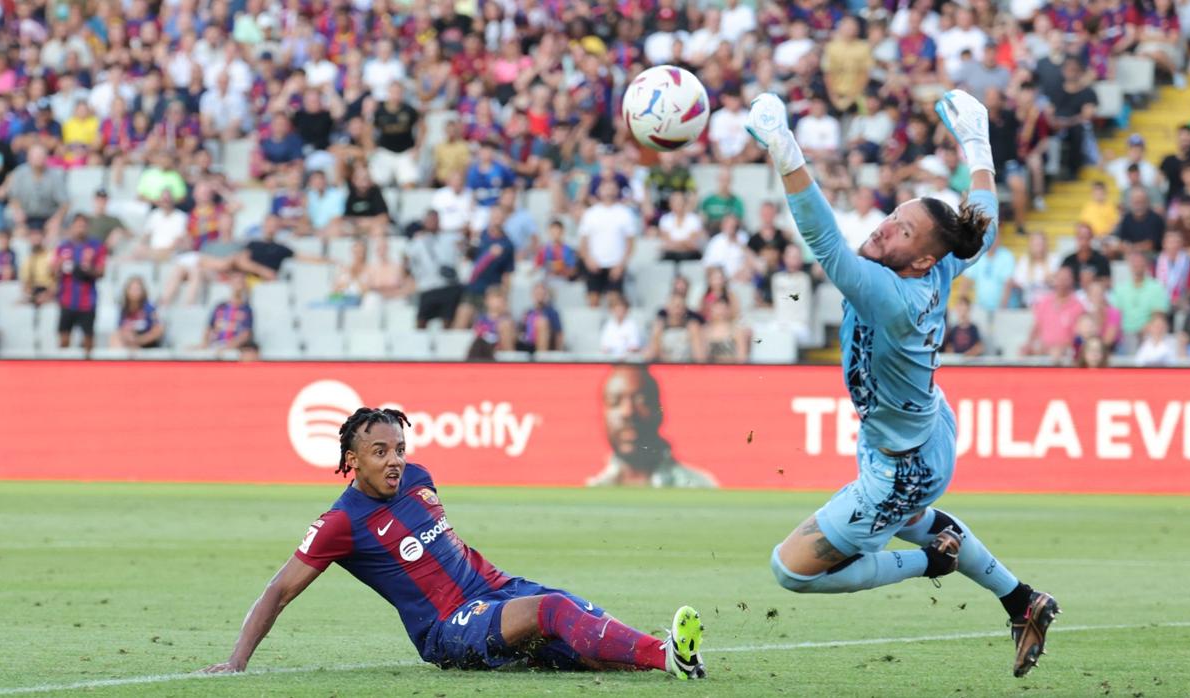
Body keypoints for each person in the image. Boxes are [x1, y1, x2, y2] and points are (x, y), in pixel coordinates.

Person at [746, 89, 1056, 677]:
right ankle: (1023, 601)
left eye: (904, 231)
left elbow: (823, 242)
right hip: (921, 431)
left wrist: (786, 149)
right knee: (913, 520)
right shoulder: (936, 265)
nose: (888, 228)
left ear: (918, 261)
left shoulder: (889, 293)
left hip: (903, 460)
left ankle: (931, 565)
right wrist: (977, 146)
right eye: (895, 216)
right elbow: (981, 230)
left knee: (791, 569)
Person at [202, 407, 706, 678]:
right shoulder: (341, 522)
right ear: (353, 461)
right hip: (448, 628)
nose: (395, 459)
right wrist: (237, 661)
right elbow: (278, 591)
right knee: (551, 611)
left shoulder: (420, 476)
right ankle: (669, 656)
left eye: (399, 448)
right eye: (380, 452)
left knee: (577, 623)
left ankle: (670, 659)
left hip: (497, 590)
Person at [587, 365, 717, 488]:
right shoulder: (591, 493)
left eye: (640, 400)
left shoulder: (698, 486)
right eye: (614, 401)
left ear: (659, 412)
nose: (627, 412)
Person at [53, 213, 107, 354]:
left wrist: (87, 269)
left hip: (87, 300)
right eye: (77, 225)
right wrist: (59, 265)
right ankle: (62, 369)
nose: (80, 228)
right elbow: (53, 271)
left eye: (83, 225)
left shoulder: (96, 246)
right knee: (64, 338)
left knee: (88, 340)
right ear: (71, 227)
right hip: (67, 299)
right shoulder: (63, 247)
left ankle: (88, 370)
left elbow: (101, 272)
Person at [111, 276, 165, 350]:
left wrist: (140, 340)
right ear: (127, 291)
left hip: (146, 342)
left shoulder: (149, 308)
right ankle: (118, 359)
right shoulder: (124, 309)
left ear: (143, 291)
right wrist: (128, 337)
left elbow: (158, 329)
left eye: (137, 289)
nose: (135, 292)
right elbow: (120, 329)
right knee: (114, 337)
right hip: (129, 341)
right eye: (132, 289)